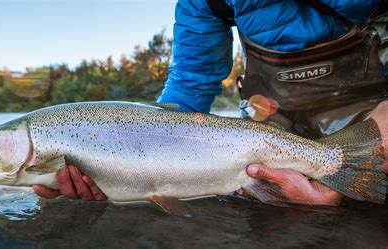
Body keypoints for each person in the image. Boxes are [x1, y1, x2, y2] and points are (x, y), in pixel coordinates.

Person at [33, 0, 388, 205]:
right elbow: (189, 89)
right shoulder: (202, 2)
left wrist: (346, 175)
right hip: (273, 119)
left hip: (375, 111)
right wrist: (121, 168)